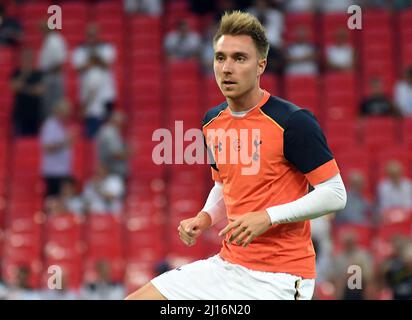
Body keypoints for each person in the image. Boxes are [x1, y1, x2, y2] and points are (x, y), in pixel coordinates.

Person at [126, 11, 346, 300]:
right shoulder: (212, 121)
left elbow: (335, 193)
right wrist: (205, 217)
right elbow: (223, 184)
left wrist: (268, 217)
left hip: (279, 278)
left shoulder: (293, 122)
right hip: (228, 266)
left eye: (239, 58)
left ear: (261, 65)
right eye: (220, 57)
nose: (227, 68)